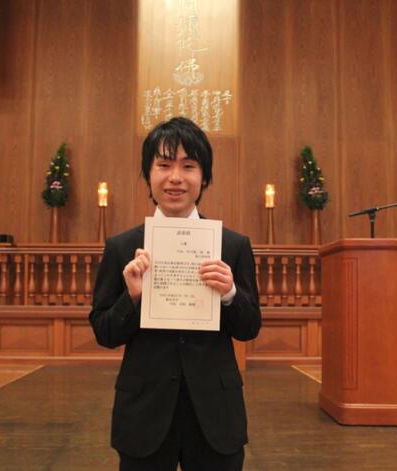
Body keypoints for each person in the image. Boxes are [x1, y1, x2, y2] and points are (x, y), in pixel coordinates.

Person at [89, 116, 261, 471]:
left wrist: (230, 293)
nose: (176, 177)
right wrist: (132, 299)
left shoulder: (232, 246)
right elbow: (104, 332)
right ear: (148, 174)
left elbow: (249, 327)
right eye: (164, 165)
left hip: (216, 414)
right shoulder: (122, 247)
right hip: (144, 414)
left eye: (188, 166)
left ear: (204, 177)